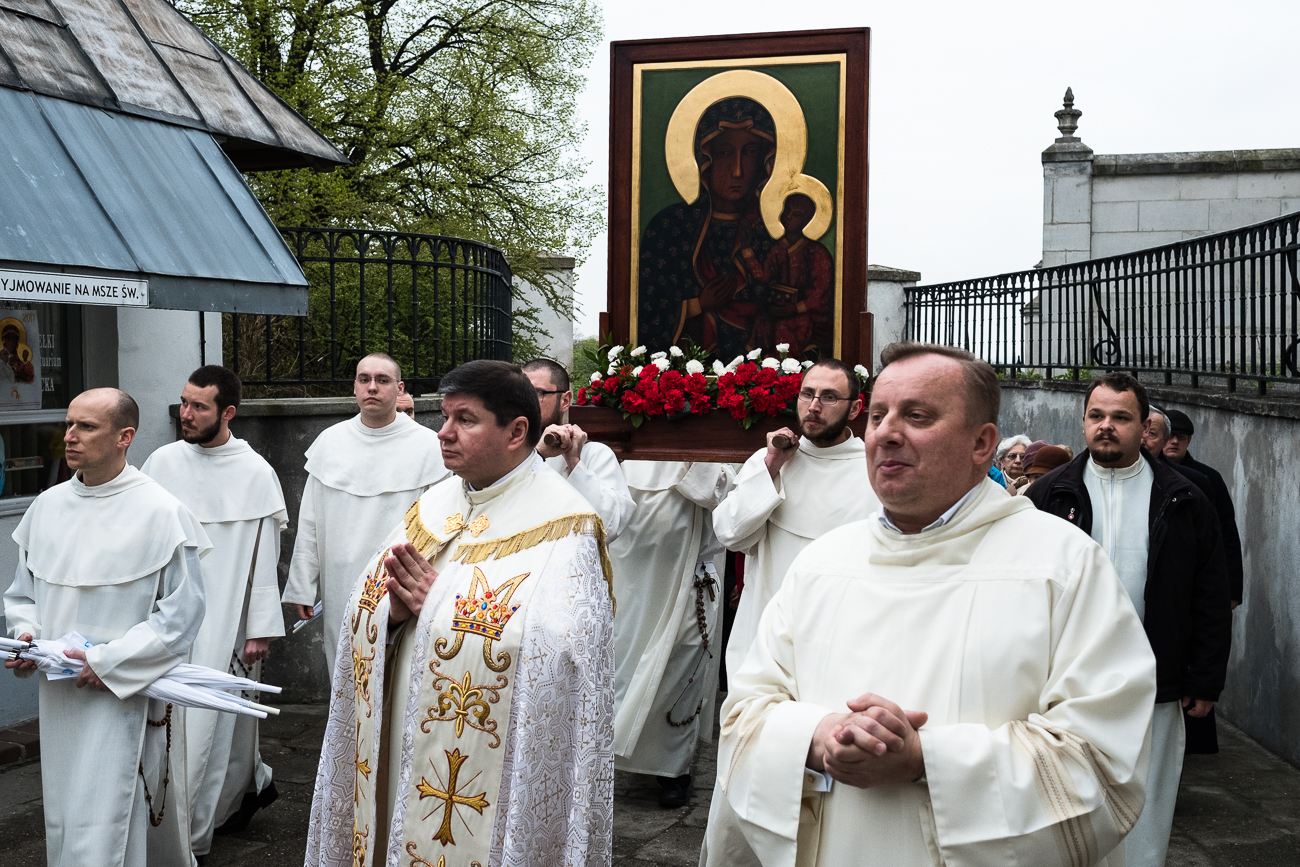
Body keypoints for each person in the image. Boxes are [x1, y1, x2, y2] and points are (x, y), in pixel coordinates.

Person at [703, 343, 1157, 867]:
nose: (887, 432)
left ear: (983, 443)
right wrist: (817, 738)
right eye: (877, 416)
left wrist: (925, 760)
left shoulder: (1064, 564)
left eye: (917, 416)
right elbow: (746, 712)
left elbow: (1101, 758)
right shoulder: (823, 562)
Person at [304, 360, 613, 867]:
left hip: (487, 771)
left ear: (517, 431)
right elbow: (368, 601)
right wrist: (393, 614)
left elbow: (560, 654)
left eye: (464, 420)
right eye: (444, 418)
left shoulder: (565, 524)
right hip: (403, 731)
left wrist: (437, 607)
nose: (443, 434)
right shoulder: (435, 504)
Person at [1026, 372, 1231, 867]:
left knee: (1149, 807)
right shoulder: (1048, 496)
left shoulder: (1185, 499)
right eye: (1097, 415)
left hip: (1155, 679)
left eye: (1121, 417)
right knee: (1069, 808)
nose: (1107, 426)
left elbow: (1210, 593)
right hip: (1067, 682)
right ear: (1082, 423)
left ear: (1145, 428)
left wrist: (1205, 678)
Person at [4, 388, 210, 867]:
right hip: (59, 695)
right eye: (70, 424)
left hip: (124, 692)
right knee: (65, 812)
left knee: (111, 813)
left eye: (86, 426)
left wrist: (110, 662)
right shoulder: (48, 506)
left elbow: (182, 615)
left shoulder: (162, 511)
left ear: (125, 437)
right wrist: (26, 638)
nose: (69, 436)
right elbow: (22, 593)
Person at [141, 366, 287, 855]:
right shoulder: (161, 461)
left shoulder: (255, 472)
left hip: (230, 614)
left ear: (227, 412)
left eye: (198, 406)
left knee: (210, 724)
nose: (185, 414)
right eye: (183, 402)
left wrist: (261, 627)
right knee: (220, 724)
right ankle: (250, 789)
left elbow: (264, 559)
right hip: (169, 611)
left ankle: (193, 838)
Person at [713, 358, 878, 687]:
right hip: (768, 634)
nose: (814, 406)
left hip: (844, 637)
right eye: (807, 394)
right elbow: (730, 534)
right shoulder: (770, 460)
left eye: (829, 397)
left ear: (856, 408)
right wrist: (772, 466)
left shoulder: (873, 470)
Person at [282, 353, 449, 676]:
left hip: (400, 580)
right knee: (346, 670)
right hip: (340, 581)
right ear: (355, 387)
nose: (372, 387)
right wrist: (303, 585)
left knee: (398, 673)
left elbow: (441, 524)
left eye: (382, 380)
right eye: (364, 379)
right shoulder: (330, 443)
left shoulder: (428, 446)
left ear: (399, 389)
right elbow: (311, 522)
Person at [610, 460, 734, 808]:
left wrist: (690, 458)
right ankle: (616, 753)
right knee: (626, 667)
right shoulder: (623, 453)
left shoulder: (707, 451)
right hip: (631, 580)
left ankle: (673, 770)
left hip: (689, 579)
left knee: (682, 668)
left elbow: (719, 497)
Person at [638, 97, 782, 359]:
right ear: (705, 158)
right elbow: (646, 311)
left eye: (749, 152)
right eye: (726, 152)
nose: (737, 170)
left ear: (764, 161)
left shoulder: (766, 235)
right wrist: (697, 305)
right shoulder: (669, 229)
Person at [522, 358, 635, 541]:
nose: (526, 402)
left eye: (537, 393)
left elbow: (609, 527)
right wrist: (538, 454)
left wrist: (574, 463)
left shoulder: (595, 455)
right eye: (521, 393)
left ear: (565, 400)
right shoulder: (505, 452)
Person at [1162, 409, 1243, 609]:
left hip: (1199, 575)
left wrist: (1232, 590)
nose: (1174, 442)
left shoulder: (1208, 478)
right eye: (1170, 436)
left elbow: (1226, 533)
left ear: (1189, 441)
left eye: (1180, 437)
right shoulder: (1147, 473)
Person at [740, 193, 834, 356]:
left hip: (806, 314)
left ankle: (785, 370)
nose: (789, 217)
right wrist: (747, 249)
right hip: (782, 308)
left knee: (786, 325)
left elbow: (821, 293)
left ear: (806, 221)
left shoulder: (816, 252)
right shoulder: (778, 248)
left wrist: (795, 308)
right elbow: (763, 275)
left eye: (796, 215)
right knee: (761, 319)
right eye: (787, 210)